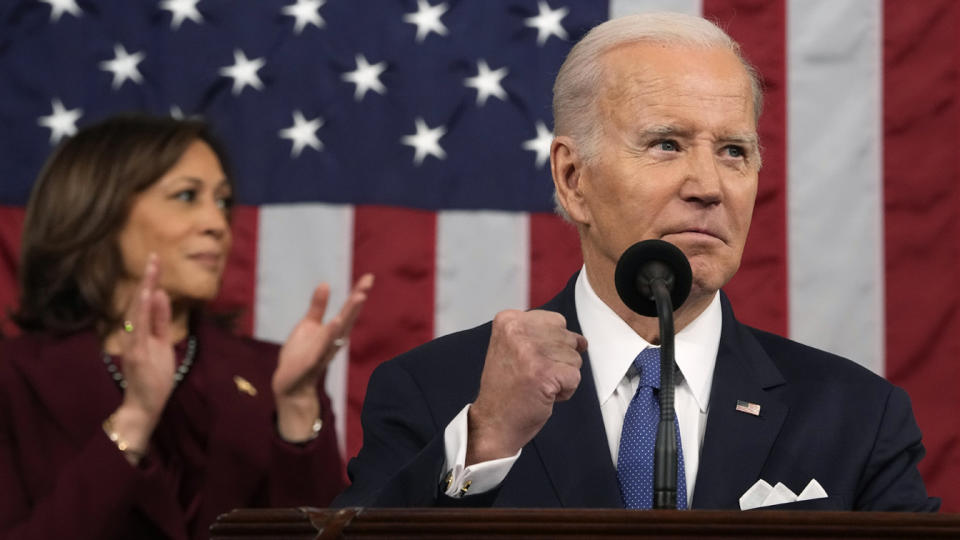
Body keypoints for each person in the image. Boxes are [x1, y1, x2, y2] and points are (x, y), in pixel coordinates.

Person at [333, 12, 939, 511]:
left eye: (734, 151)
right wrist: (487, 443)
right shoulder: (435, 393)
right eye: (666, 144)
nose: (708, 185)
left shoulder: (857, 416)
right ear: (573, 179)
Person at [0, 114, 374, 539]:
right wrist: (134, 420)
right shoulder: (15, 377)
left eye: (223, 201)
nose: (217, 224)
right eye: (186, 196)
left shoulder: (272, 375)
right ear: (98, 208)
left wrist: (298, 407)